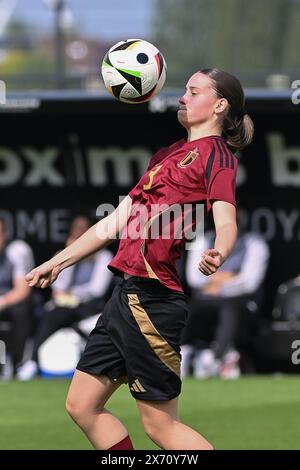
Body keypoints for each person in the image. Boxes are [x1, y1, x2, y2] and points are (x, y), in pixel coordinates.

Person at [25, 69, 254, 450]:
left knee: (161, 428)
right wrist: (58, 261)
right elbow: (114, 221)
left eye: (192, 91)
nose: (182, 97)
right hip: (124, 296)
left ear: (219, 105)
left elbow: (226, 218)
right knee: (81, 406)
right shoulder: (166, 154)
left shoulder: (218, 157)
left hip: (154, 301)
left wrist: (222, 249)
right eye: (184, 90)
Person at [17, 214, 113, 380]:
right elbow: (58, 286)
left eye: (84, 229)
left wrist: (74, 295)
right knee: (50, 317)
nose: (79, 233)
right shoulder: (61, 254)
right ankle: (32, 362)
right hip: (64, 307)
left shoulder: (103, 256)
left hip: (90, 306)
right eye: (76, 228)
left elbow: (97, 290)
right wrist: (69, 260)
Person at [182, 224, 270, 379]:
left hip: (240, 301)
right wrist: (226, 277)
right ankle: (182, 352)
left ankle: (218, 358)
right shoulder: (202, 240)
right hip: (206, 299)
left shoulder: (254, 243)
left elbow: (249, 282)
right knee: (185, 308)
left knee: (229, 309)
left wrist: (218, 286)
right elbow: (194, 278)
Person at [0, 218, 34, 378]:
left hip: (11, 302)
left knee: (21, 309)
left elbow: (22, 290)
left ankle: (20, 362)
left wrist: (3, 301)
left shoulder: (17, 250)